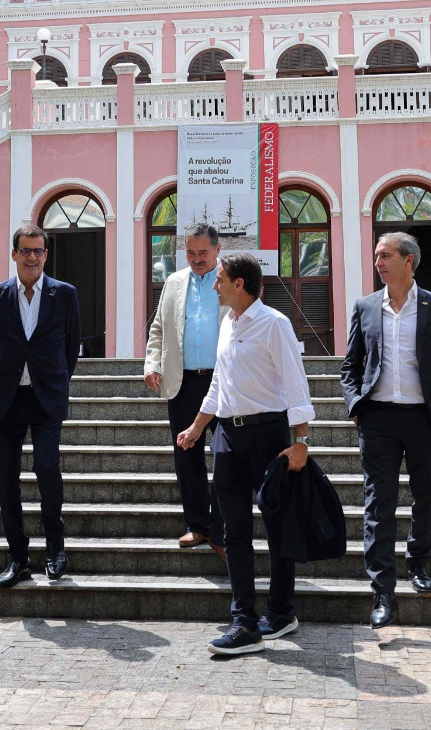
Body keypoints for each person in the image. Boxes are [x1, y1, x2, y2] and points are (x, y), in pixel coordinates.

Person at [176, 253, 314, 656]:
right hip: (228, 439)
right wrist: (198, 427)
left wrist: (301, 440)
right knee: (233, 532)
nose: (214, 284)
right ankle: (243, 621)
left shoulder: (275, 324)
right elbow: (219, 384)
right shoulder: (226, 324)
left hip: (269, 436)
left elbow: (295, 383)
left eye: (219, 278)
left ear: (240, 284)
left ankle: (282, 611)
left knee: (277, 528)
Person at [340, 232, 431, 629]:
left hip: (424, 418)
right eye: (376, 255)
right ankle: (382, 591)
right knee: (379, 505)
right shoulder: (364, 307)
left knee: (427, 497)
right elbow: (351, 367)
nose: (378, 262)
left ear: (409, 260)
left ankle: (418, 562)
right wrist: (355, 404)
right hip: (378, 418)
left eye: (386, 255)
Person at [0, 223, 80, 588]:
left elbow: (70, 350)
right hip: (6, 398)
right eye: (26, 250)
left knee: (46, 468)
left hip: (46, 397)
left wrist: (52, 379)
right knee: (6, 480)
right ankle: (17, 557)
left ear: (46, 255)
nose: (32, 257)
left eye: (39, 251)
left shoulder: (64, 294)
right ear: (14, 254)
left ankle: (55, 548)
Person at [143, 223, 225, 557]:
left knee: (227, 457)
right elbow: (159, 327)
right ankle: (197, 526)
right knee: (186, 456)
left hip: (225, 382)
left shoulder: (234, 279)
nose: (196, 259)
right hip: (183, 381)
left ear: (217, 250)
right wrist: (152, 364)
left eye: (203, 252)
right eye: (190, 253)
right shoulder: (175, 282)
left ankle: (222, 528)